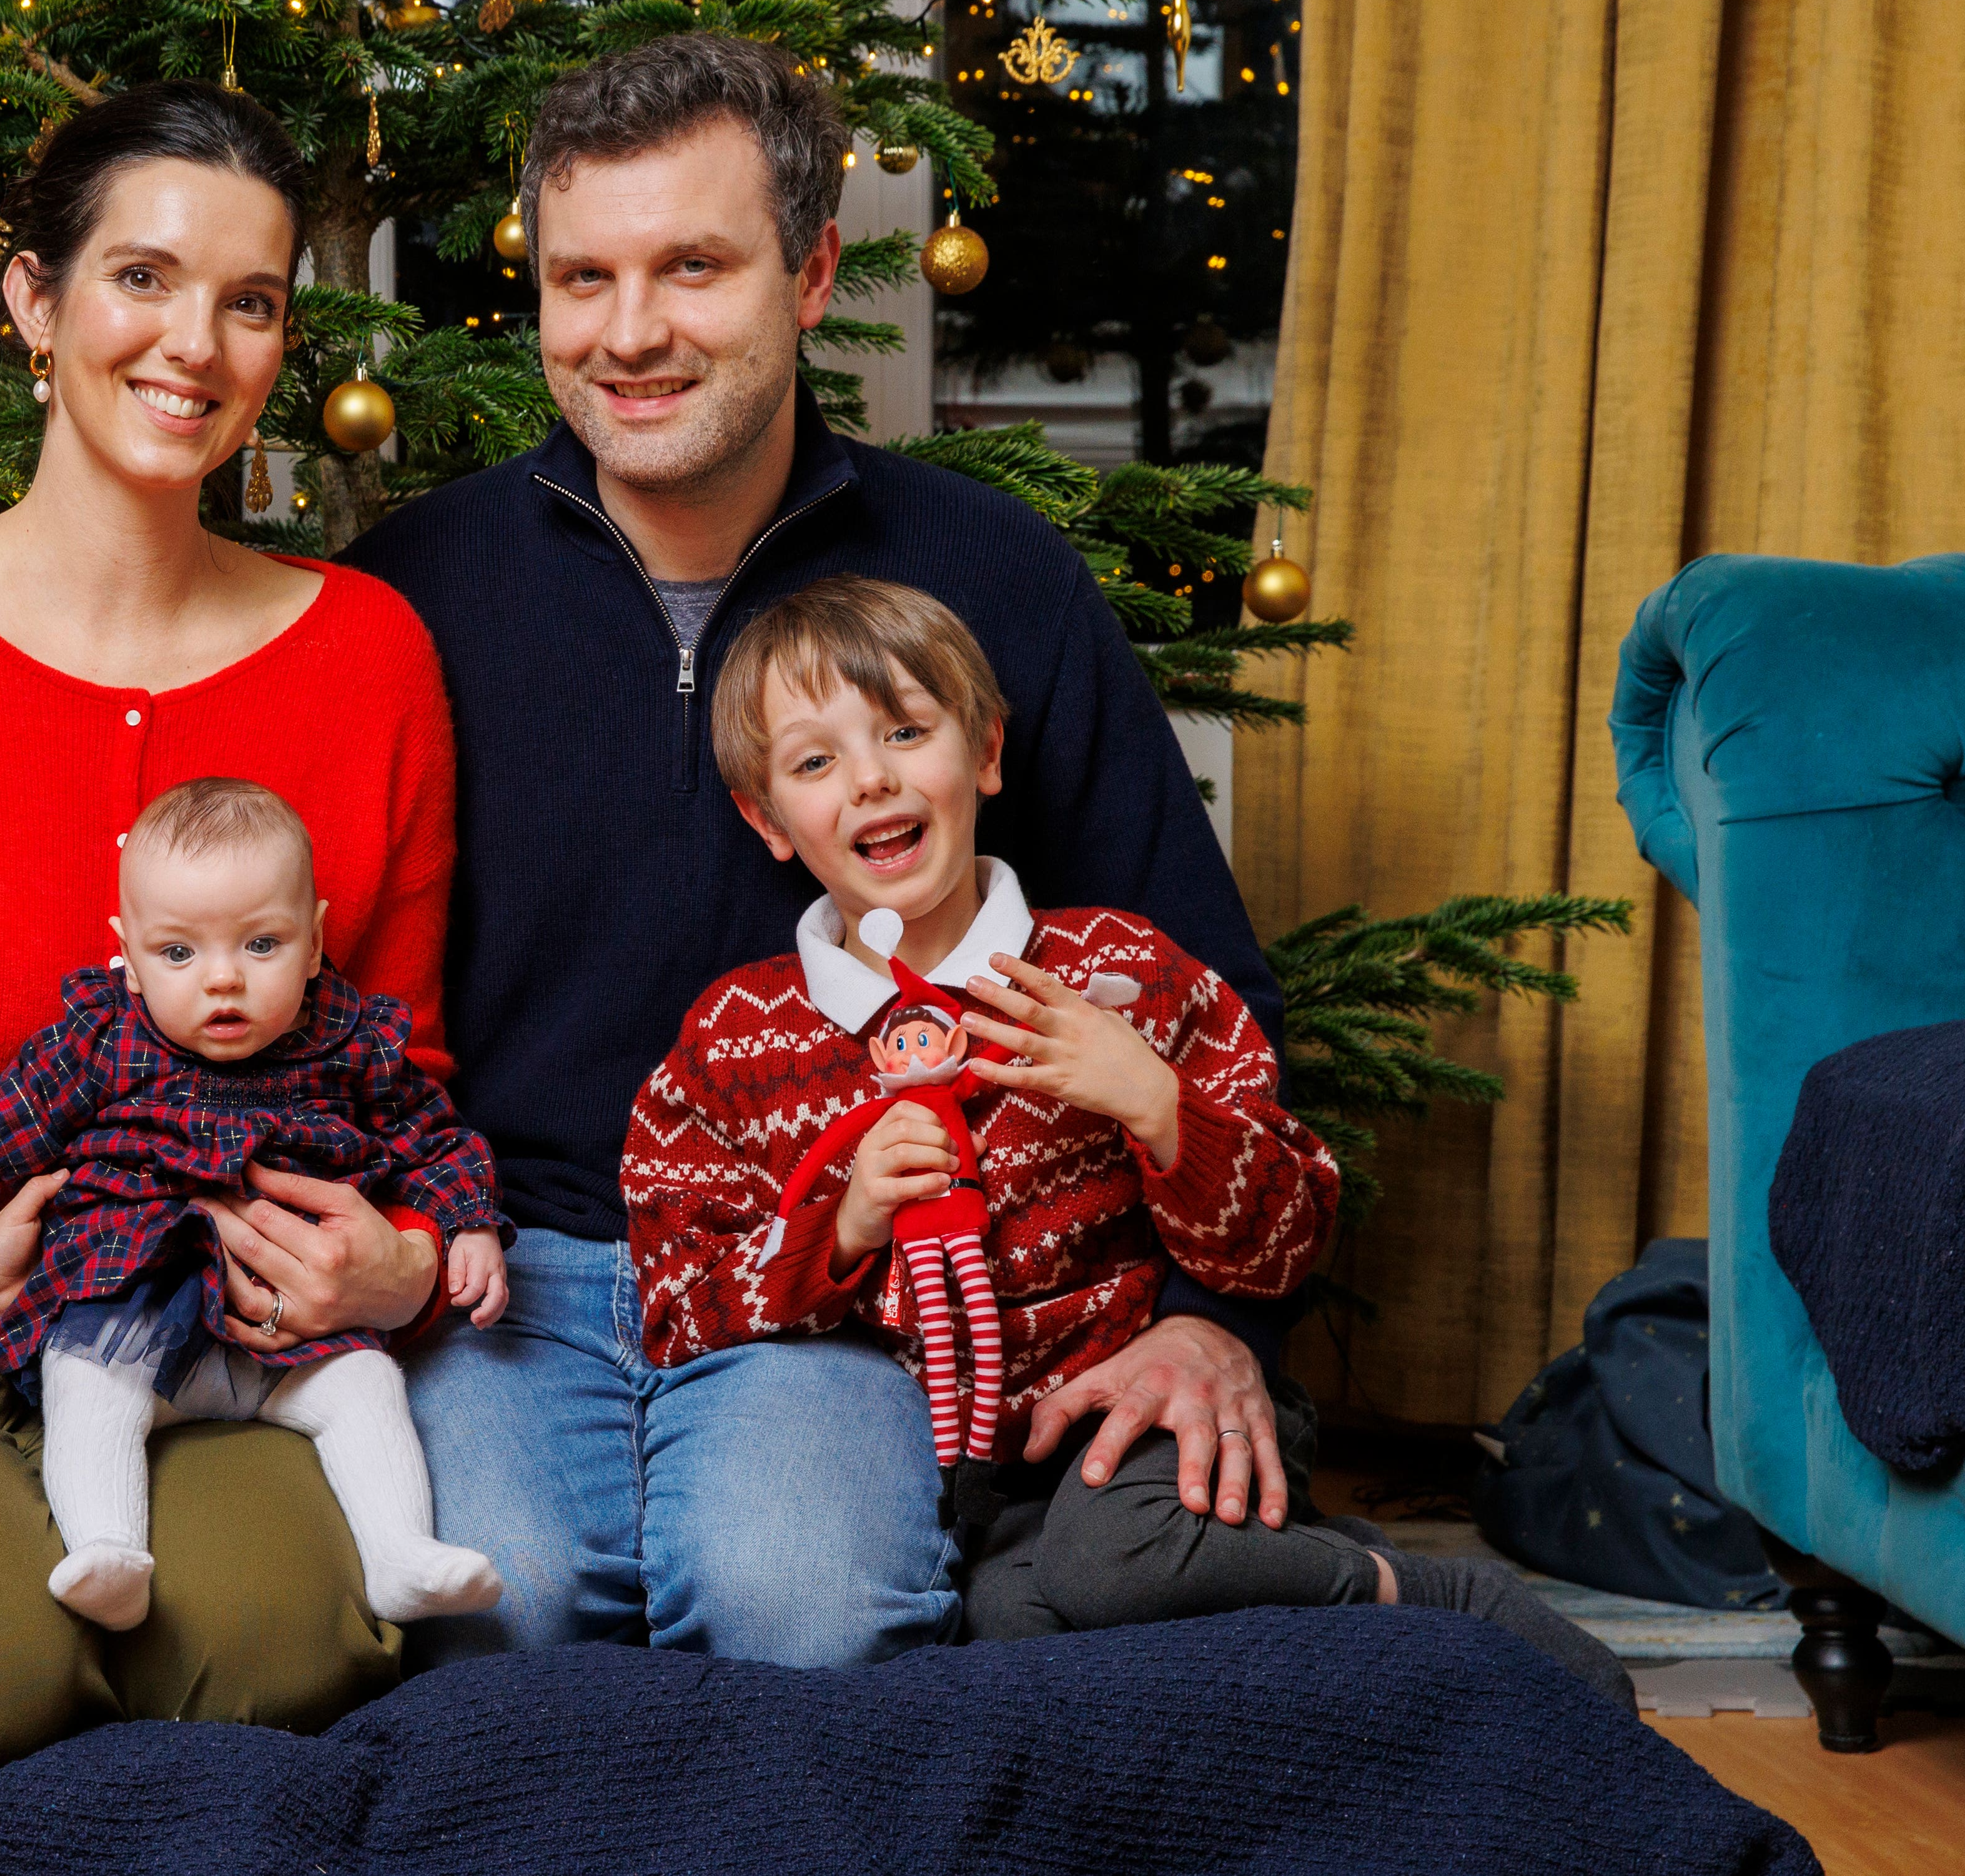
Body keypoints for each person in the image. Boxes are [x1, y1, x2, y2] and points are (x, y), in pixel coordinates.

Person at [342, 31, 1308, 1668]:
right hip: (510, 1270)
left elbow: (1200, 992)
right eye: (585, 278)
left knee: (804, 1609)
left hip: (845, 1270)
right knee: (492, 1601)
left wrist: (1214, 1323)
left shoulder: (984, 575)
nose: (631, 332)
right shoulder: (414, 593)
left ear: (809, 274)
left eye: (693, 267)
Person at [0, 79, 465, 1775]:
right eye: (142, 277)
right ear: (34, 303)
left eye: (251, 301)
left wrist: (401, 1264)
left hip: (212, 1333)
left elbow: (402, 1065)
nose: (195, 341)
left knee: (271, 1650)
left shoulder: (369, 658)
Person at [621, 575, 1631, 1706]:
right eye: (816, 763)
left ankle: (1441, 1606)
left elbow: (1293, 1230)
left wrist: (1160, 1108)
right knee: (1011, 1629)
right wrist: (843, 1224)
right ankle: (1336, 1682)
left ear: (987, 752)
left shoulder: (1127, 972)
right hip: (976, 1481)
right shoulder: (735, 1039)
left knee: (1116, 1560)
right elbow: (677, 1303)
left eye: (908, 731)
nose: (872, 779)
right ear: (767, 819)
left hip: (1148, 1423)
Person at [0, 776, 508, 1632]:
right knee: (81, 1380)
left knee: (369, 1387)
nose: (222, 982)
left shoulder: (347, 1046)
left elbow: (434, 1138)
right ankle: (108, 1550)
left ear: (315, 941)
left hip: (293, 1337)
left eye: (261, 945)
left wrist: (469, 1224)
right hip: (134, 1315)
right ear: (129, 950)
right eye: (179, 954)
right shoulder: (102, 1043)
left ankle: (401, 1557)